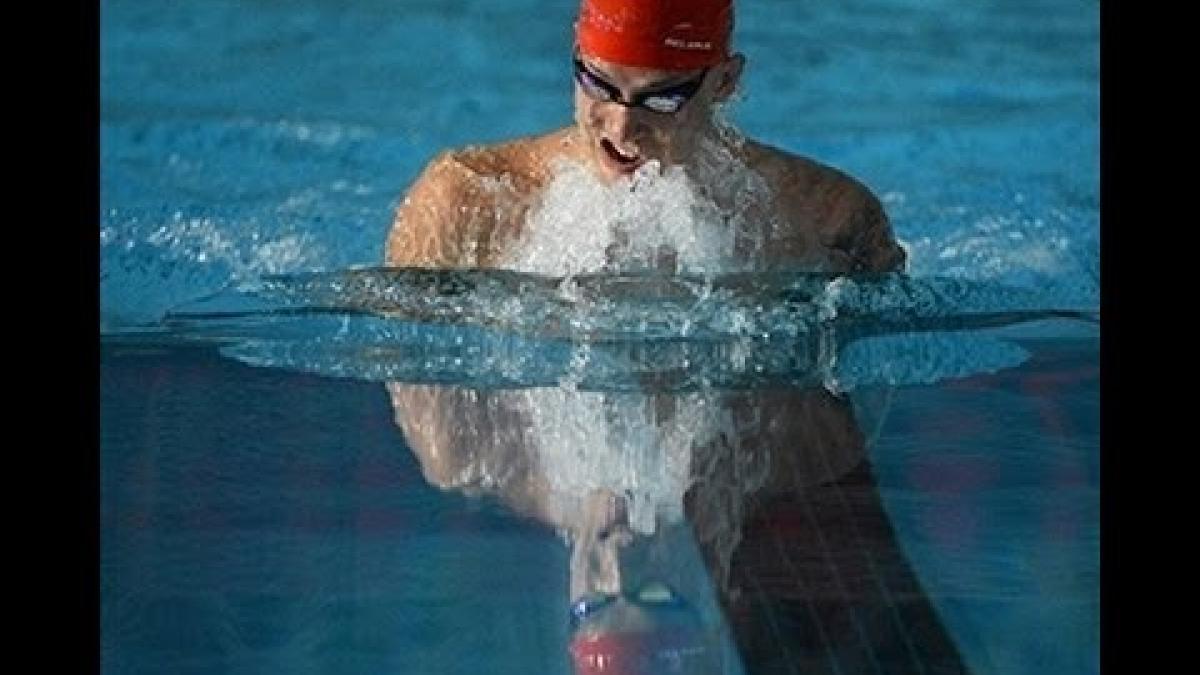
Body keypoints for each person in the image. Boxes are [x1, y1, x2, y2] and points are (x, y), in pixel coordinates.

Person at [384, 0, 906, 277]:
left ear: (725, 83)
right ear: (575, 51)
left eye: (659, 100)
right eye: (598, 84)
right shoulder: (466, 198)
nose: (620, 126)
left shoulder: (830, 218)